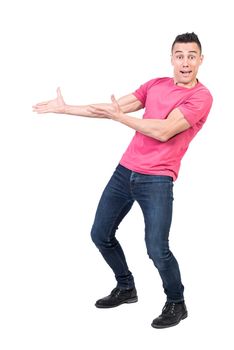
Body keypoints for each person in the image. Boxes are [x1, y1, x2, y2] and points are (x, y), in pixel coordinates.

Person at [33, 32, 213, 329]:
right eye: (179, 55)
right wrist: (66, 108)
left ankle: (176, 302)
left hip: (157, 179)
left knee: (156, 248)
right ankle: (126, 287)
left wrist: (120, 118)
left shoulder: (200, 97)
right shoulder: (155, 85)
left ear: (200, 60)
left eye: (191, 56)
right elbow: (110, 109)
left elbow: (164, 130)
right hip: (125, 171)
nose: (185, 62)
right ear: (171, 58)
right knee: (100, 234)